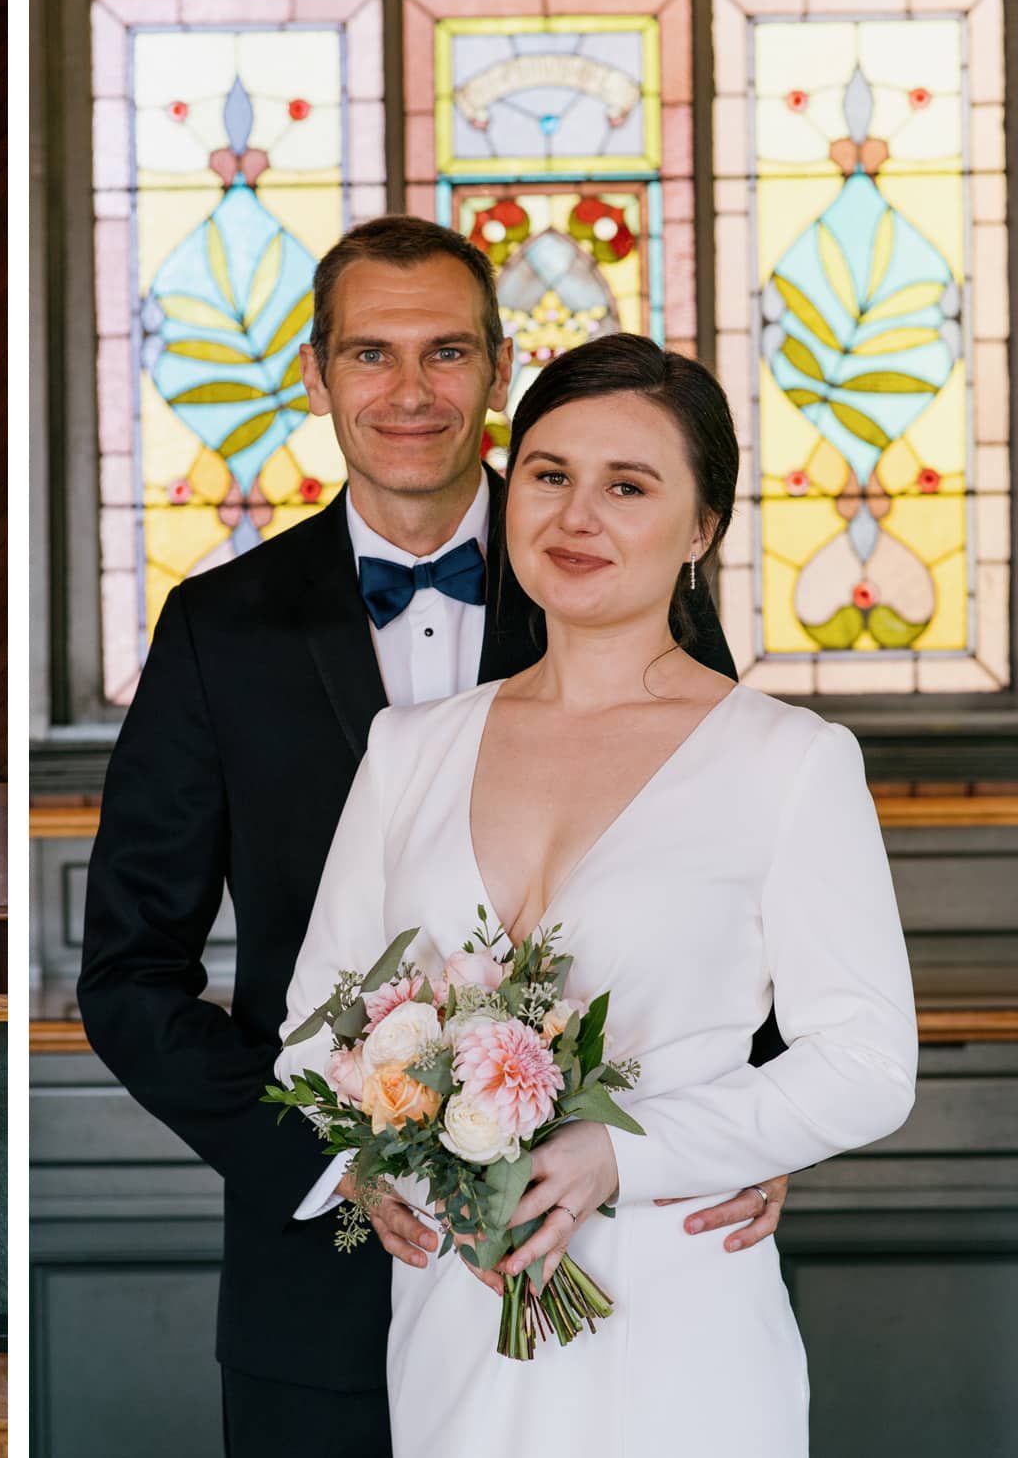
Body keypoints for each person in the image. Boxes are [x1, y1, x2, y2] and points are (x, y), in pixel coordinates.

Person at [78, 217, 787, 1455]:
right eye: (369, 355)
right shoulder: (216, 628)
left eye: (447, 353)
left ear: (500, 370)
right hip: (322, 1273)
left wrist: (754, 1122)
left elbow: (734, 866)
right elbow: (129, 970)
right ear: (313, 375)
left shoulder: (625, 571)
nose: (409, 392)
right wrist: (331, 1158)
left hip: (611, 1244)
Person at [278, 332, 918, 1451]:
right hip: (454, 1309)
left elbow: (865, 1066)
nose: (576, 516)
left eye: (625, 486)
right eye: (547, 474)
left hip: (673, 1301)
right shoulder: (407, 750)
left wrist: (626, 1149)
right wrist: (371, 1159)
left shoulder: (786, 759)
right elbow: (308, 1035)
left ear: (700, 527)